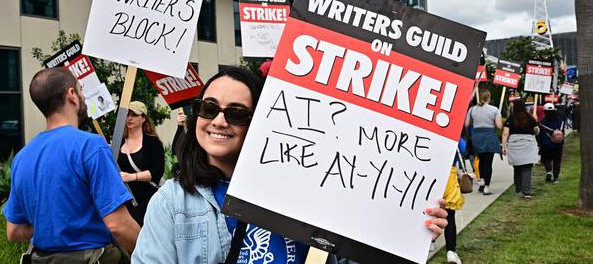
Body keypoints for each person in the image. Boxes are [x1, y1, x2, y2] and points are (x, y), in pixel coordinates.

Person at [132, 66, 448, 263]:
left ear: (259, 123)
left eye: (237, 113)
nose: (219, 121)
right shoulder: (170, 203)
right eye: (209, 108)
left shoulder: (305, 191)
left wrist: (407, 230)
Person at [3, 68, 140, 263]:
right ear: (72, 95)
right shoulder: (91, 146)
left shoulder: (21, 158)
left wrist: (56, 223)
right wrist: (154, 252)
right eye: (81, 90)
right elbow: (118, 225)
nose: (84, 97)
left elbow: (14, 231)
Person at [117, 101, 165, 226]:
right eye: (127, 114)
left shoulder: (153, 142)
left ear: (143, 118)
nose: (129, 118)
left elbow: (158, 171)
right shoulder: (119, 141)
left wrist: (132, 177)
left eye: (134, 115)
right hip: (126, 199)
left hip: (148, 198)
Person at [464, 89, 502, 195]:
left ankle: (481, 182)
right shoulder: (494, 110)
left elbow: (466, 124)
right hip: (489, 136)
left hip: (477, 136)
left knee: (480, 160)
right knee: (488, 162)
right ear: (489, 98)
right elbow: (499, 126)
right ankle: (486, 187)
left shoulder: (472, 109)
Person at [502, 99, 540, 200]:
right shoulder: (530, 117)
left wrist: (504, 146)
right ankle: (526, 192)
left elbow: (505, 133)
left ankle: (518, 188)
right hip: (528, 144)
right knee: (527, 168)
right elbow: (536, 131)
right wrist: (536, 122)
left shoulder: (511, 118)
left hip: (515, 144)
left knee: (517, 166)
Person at [443, 138, 467, 264]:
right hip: (449, 177)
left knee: (428, 212)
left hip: (429, 174)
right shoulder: (454, 133)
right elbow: (464, 149)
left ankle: (430, 243)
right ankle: (451, 252)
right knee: (449, 216)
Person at [538, 103, 565, 183]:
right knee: (557, 160)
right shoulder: (560, 121)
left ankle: (549, 172)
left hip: (546, 144)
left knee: (547, 159)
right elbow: (562, 132)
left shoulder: (543, 122)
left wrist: (539, 143)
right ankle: (556, 177)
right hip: (558, 144)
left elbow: (540, 134)